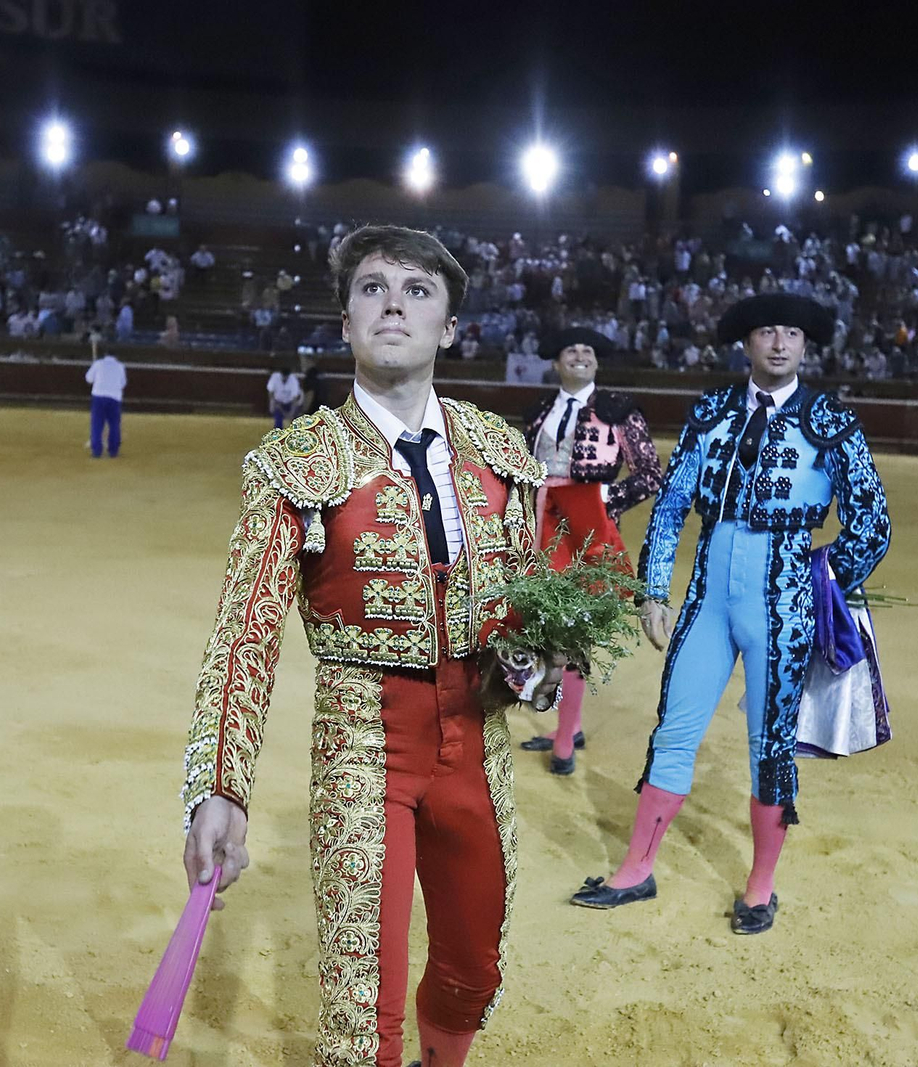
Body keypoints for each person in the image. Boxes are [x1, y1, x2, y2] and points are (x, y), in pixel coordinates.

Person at [180, 224, 560, 1067]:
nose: (394, 301)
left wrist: (541, 661)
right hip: (362, 739)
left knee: (472, 968)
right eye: (373, 288)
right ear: (346, 321)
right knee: (359, 1013)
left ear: (450, 327)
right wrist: (220, 787)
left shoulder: (505, 455)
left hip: (477, 741)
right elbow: (243, 633)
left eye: (418, 290)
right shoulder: (294, 461)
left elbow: (530, 606)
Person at [569, 292, 891, 936]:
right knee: (675, 727)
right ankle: (636, 868)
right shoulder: (711, 412)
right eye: (766, 332)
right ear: (745, 343)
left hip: (784, 600)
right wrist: (653, 589)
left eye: (792, 333)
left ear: (806, 345)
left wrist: (823, 583)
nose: (778, 343)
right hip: (708, 597)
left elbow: (873, 523)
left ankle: (761, 885)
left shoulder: (831, 422)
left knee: (770, 745)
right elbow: (671, 505)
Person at [516, 328, 663, 774]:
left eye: (588, 351)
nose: (580, 356)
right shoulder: (541, 410)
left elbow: (650, 474)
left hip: (588, 528)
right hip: (543, 523)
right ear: (557, 362)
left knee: (572, 629)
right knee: (546, 624)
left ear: (597, 363)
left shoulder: (618, 409)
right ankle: (569, 725)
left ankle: (565, 738)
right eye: (570, 349)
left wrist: (603, 501)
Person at [84, 335, 126, 459]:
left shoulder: (98, 364)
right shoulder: (120, 366)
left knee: (97, 424)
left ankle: (97, 451)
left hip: (99, 396)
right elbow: (123, 383)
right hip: (114, 398)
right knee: (114, 425)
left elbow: (88, 379)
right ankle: (113, 451)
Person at [266, 359, 304, 428]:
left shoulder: (293, 380)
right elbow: (271, 393)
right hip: (278, 401)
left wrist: (291, 412)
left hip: (290, 402)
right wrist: (273, 403)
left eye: (286, 377)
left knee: (295, 420)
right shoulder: (275, 377)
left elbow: (294, 399)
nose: (285, 379)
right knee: (278, 420)